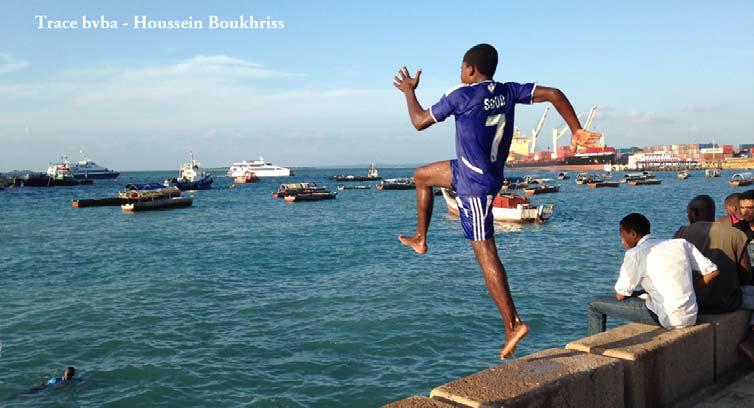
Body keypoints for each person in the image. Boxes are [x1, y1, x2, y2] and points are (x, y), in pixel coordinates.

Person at [392, 43, 602, 359]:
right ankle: (421, 237)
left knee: (485, 251)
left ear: (470, 69)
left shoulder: (460, 95)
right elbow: (555, 93)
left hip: (474, 185)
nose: (460, 74)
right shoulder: (507, 91)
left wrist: (409, 92)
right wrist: (575, 129)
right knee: (421, 175)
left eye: (462, 68)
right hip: (472, 171)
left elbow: (420, 121)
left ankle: (513, 323)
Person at [587, 213, 719, 335]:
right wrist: (689, 290)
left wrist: (635, 293)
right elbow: (712, 271)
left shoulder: (635, 254)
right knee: (646, 293)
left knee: (594, 305)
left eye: (622, 235)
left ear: (633, 234)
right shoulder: (680, 243)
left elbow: (621, 295)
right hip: (691, 315)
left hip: (668, 318)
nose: (622, 240)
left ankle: (592, 348)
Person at [674, 195, 751, 313]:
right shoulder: (735, 234)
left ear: (694, 213)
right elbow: (745, 276)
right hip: (729, 303)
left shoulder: (681, 234)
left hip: (693, 302)